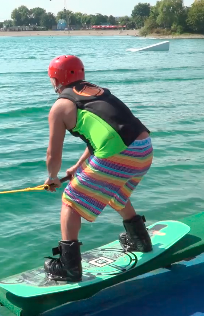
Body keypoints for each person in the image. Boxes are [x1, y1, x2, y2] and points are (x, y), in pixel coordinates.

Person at [42, 54, 154, 282]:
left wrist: (53, 177)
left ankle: (69, 267)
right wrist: (78, 167)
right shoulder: (98, 92)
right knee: (116, 192)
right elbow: (104, 136)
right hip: (144, 149)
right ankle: (140, 240)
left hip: (118, 155)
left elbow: (53, 154)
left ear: (56, 80)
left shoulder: (60, 107)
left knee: (70, 199)